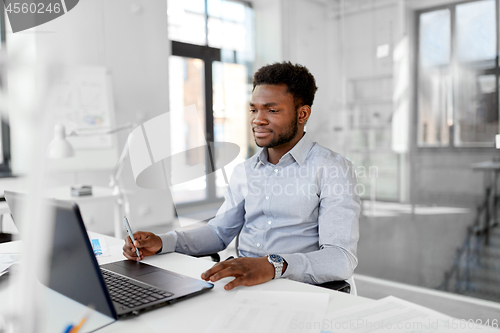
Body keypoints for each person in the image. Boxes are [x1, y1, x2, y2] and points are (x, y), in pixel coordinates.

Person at [123, 62, 360, 291]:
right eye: (254, 109)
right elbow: (219, 232)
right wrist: (164, 242)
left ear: (302, 114)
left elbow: (341, 258)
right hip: (241, 286)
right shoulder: (245, 171)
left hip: (297, 290)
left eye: (272, 110)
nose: (258, 119)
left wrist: (272, 266)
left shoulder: (333, 169)